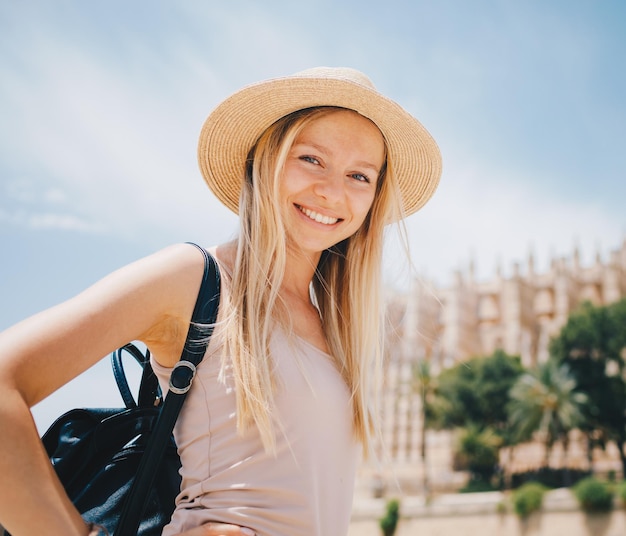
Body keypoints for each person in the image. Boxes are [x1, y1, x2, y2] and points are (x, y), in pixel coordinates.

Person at [0, 66, 441, 536]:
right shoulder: (195, 278)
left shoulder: (337, 327)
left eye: (360, 175)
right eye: (311, 159)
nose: (333, 191)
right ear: (265, 160)